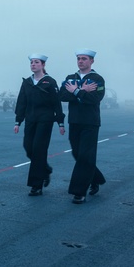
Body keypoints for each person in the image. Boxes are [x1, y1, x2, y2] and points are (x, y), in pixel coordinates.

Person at [14, 54, 65, 196]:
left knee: (39, 150)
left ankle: (36, 185)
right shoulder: (27, 82)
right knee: (28, 147)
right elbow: (21, 102)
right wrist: (18, 121)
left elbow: (56, 103)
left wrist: (60, 122)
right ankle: (46, 169)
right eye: (31, 62)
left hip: (45, 121)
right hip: (30, 120)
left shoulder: (50, 82)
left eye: (36, 62)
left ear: (43, 65)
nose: (33, 64)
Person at [60, 49, 106, 204]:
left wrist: (76, 91)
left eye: (84, 59)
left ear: (91, 61)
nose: (80, 61)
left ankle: (79, 192)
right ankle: (96, 179)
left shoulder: (97, 79)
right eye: (79, 58)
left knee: (85, 155)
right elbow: (62, 95)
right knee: (78, 154)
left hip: (90, 122)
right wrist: (82, 91)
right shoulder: (70, 77)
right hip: (74, 121)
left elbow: (95, 99)